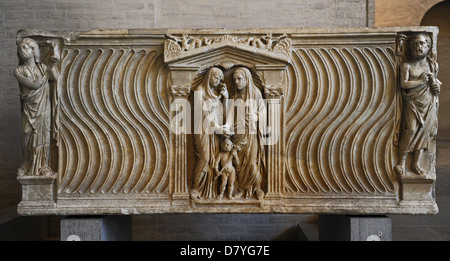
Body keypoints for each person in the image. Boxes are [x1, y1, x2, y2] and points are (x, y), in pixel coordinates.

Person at [395, 33, 440, 176]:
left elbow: (436, 87)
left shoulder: (432, 65)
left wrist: (436, 88)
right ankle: (401, 162)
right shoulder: (406, 65)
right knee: (411, 130)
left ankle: (416, 163)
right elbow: (403, 84)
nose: (418, 47)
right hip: (412, 102)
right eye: (415, 44)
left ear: (428, 47)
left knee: (424, 132)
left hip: (428, 102)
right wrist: (421, 81)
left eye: (421, 44)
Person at [14, 38, 59, 176]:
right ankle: (27, 163)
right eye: (20, 48)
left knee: (43, 135)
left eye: (24, 48)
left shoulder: (43, 68)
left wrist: (54, 57)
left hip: (43, 107)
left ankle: (43, 165)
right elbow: (33, 85)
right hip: (29, 108)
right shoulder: (18, 70)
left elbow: (55, 77)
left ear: (34, 51)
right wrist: (40, 81)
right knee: (27, 134)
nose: (21, 51)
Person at [190, 67, 232, 199]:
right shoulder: (199, 91)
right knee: (205, 157)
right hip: (202, 130)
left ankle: (212, 192)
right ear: (209, 76)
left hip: (215, 132)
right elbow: (203, 115)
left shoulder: (216, 95)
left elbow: (224, 114)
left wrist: (226, 98)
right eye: (216, 77)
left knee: (214, 159)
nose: (217, 80)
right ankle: (195, 188)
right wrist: (219, 128)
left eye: (220, 79)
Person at [229, 67, 266, 200]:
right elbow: (230, 116)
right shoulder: (234, 96)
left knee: (251, 162)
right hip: (238, 134)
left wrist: (256, 117)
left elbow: (263, 111)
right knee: (238, 164)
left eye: (239, 79)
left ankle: (257, 188)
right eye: (234, 80)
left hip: (251, 135)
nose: (237, 82)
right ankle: (241, 189)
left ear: (247, 79)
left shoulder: (255, 93)